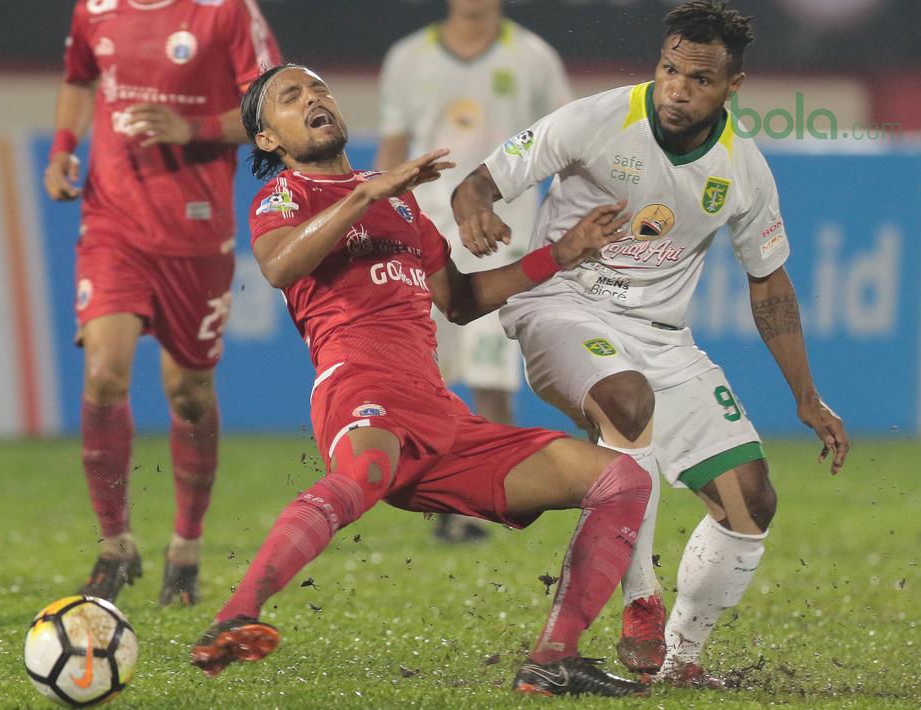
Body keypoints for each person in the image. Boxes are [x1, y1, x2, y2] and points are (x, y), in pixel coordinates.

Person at [189, 64, 650, 698]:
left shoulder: (397, 200)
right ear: (268, 138)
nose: (313, 97)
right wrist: (364, 196)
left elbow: (458, 301)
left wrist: (559, 255)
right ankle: (236, 615)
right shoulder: (285, 197)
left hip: (438, 413)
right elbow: (278, 266)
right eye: (291, 97)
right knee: (362, 475)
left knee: (621, 479)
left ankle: (554, 658)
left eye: (318, 87)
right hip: (359, 385)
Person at [450, 0, 850, 687]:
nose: (677, 89)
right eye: (669, 70)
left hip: (661, 337)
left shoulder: (743, 168)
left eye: (699, 79)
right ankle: (640, 598)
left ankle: (681, 660)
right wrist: (475, 212)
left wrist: (806, 397)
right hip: (561, 307)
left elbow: (769, 284)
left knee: (750, 500)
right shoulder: (595, 119)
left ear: (732, 87)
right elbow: (478, 184)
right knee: (626, 400)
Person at [43, 0, 280, 607]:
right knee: (104, 372)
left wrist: (191, 128)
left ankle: (186, 547)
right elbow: (78, 78)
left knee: (189, 392)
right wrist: (64, 146)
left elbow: (272, 110)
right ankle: (115, 546)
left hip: (195, 233)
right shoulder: (95, 9)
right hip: (112, 223)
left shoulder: (226, 12)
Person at [375, 0, 572, 543]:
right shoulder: (408, 57)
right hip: (426, 241)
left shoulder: (533, 57)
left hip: (504, 240)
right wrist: (382, 223)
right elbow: (393, 150)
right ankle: (438, 495)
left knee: (491, 380)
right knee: (424, 378)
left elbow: (563, 145)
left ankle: (491, 502)